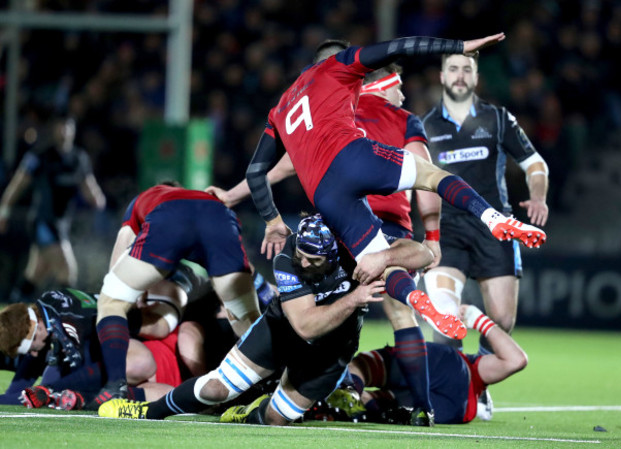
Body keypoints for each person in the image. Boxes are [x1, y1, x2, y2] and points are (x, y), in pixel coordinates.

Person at [243, 34, 545, 349]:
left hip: (324, 193)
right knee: (431, 175)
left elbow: (255, 172)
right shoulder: (339, 66)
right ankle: (493, 217)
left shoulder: (279, 108)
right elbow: (399, 47)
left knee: (381, 265)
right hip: (350, 156)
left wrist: (272, 220)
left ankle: (416, 300)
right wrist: (459, 47)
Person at [209, 61, 444, 425]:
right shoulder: (404, 119)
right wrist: (432, 237)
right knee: (399, 312)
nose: (403, 96)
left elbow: (280, 168)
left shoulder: (336, 112)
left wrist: (232, 196)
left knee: (322, 302)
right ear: (385, 85)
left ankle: (297, 393)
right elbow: (426, 181)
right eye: (400, 89)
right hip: (386, 229)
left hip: (337, 225)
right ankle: (423, 408)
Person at [97, 214, 433, 426]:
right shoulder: (288, 259)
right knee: (216, 388)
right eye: (300, 252)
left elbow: (425, 253)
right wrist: (356, 298)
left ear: (333, 257)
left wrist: (384, 257)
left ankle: (248, 416)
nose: (302, 261)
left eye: (312, 260)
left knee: (275, 419)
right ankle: (146, 411)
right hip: (282, 330)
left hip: (331, 352)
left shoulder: (357, 248)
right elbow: (305, 325)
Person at [420, 53, 549, 416]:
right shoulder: (424, 127)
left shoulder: (497, 119)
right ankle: (449, 391)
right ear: (442, 76)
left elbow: (535, 163)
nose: (460, 76)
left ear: (476, 77)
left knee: (503, 320)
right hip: (446, 230)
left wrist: (538, 196)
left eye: (467, 69)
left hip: (494, 226)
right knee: (443, 319)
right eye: (453, 69)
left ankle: (480, 381)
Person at [89, 182, 261, 409]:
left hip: (169, 216)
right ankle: (274, 387)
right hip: (219, 216)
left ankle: (114, 387)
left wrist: (128, 293)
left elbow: (120, 253)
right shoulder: (203, 199)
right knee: (247, 321)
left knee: (111, 301)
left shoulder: (146, 198)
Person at [326, 304, 528, 424]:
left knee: (363, 368)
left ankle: (343, 393)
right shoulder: (477, 378)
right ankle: (345, 402)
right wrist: (479, 320)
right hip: (456, 409)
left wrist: (476, 317)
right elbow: (515, 360)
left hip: (450, 369)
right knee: (384, 406)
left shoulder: (471, 368)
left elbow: (516, 360)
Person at [0, 284, 185, 409]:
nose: (32, 353)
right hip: (120, 341)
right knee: (55, 382)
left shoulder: (67, 325)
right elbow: (22, 388)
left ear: (38, 326)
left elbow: (90, 373)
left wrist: (48, 390)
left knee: (155, 336)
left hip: (142, 333)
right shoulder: (45, 310)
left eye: (30, 346)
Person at [0, 115, 106, 302]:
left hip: (62, 223)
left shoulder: (78, 158)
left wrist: (98, 199)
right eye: (60, 126)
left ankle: (12, 307)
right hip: (43, 221)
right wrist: (4, 211)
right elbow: (17, 185)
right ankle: (66, 318)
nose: (64, 131)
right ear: (54, 128)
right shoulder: (40, 156)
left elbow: (89, 187)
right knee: (67, 270)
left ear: (73, 130)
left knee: (36, 273)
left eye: (68, 126)